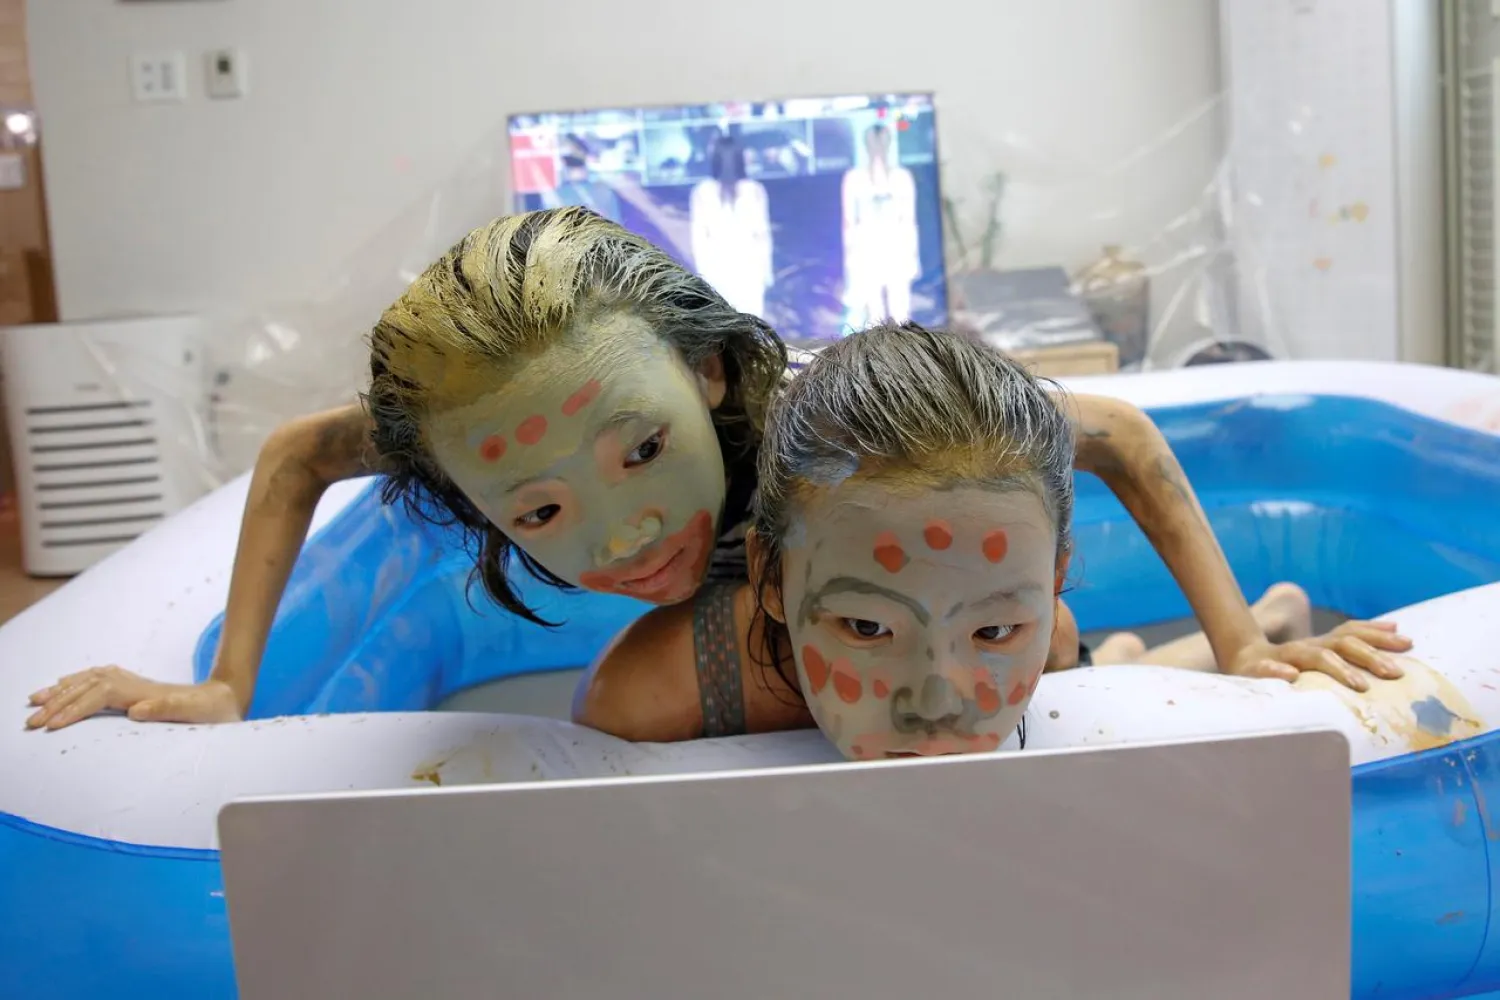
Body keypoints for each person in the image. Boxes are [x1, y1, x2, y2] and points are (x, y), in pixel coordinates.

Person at [27, 218, 1401, 733]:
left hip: (891, 585)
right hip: (806, 608)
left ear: (711, 376)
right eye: (546, 510)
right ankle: (1219, 632)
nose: (629, 529)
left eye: (640, 452)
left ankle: (1238, 630)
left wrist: (1229, 634)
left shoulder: (820, 426)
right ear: (468, 496)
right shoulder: (462, 442)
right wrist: (227, 686)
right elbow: (290, 454)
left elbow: (1121, 439)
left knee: (1021, 641)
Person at [740, 322, 1413, 758]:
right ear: (769, 581)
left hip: (1043, 624)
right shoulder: (695, 678)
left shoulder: (1000, 451)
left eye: (997, 632)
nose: (937, 704)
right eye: (866, 627)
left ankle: (1247, 619)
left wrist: (1242, 644)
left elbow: (1123, 431)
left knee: (1062, 653)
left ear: (1059, 575)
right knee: (1074, 652)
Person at [840, 123, 920, 328]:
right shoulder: (854, 179)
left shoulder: (902, 178)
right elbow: (849, 221)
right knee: (873, 311)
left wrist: (911, 256)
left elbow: (909, 220)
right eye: (873, 142)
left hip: (896, 248)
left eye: (882, 141)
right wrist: (851, 258)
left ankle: (906, 353)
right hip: (867, 249)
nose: (878, 146)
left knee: (900, 308)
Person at [689, 133, 773, 318]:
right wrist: (766, 274)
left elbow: (699, 239)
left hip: (718, 270)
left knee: (723, 330)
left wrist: (702, 274)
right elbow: (762, 236)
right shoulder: (755, 190)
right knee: (752, 328)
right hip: (748, 269)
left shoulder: (702, 191)